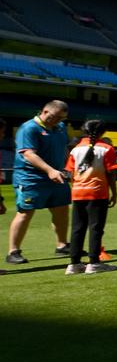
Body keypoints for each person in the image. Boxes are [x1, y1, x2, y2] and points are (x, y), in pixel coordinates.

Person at [7, 100, 72, 265]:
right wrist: (50, 170)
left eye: (61, 118)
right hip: (31, 177)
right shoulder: (29, 128)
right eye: (55, 117)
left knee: (61, 209)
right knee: (25, 212)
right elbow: (28, 154)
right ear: (44, 111)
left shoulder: (60, 127)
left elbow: (64, 148)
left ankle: (62, 245)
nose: (57, 121)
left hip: (57, 176)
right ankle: (13, 251)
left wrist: (67, 166)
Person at [64, 120, 117, 275]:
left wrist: (75, 188)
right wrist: (114, 193)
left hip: (78, 192)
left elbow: (72, 173)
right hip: (97, 193)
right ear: (103, 132)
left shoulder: (75, 149)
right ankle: (94, 262)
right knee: (96, 228)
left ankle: (74, 264)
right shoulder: (106, 148)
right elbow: (111, 173)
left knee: (77, 228)